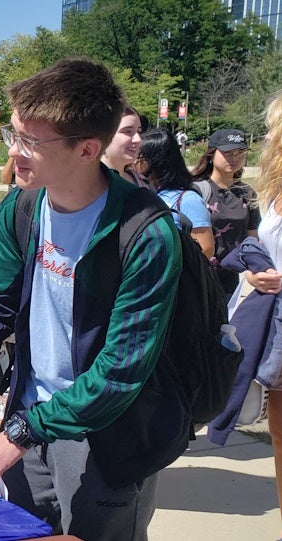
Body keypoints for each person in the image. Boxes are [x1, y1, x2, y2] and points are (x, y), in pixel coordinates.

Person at [0, 59, 187, 539]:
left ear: (87, 149)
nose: (13, 154)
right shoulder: (23, 207)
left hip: (106, 439)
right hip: (28, 418)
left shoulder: (147, 233)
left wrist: (22, 433)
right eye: (12, 136)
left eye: (29, 143)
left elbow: (119, 374)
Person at [242, 92, 282, 539]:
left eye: (273, 126)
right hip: (275, 330)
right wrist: (254, 278)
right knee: (279, 438)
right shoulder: (272, 189)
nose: (267, 135)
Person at [191, 128, 259, 296]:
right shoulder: (196, 191)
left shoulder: (247, 194)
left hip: (230, 279)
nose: (234, 158)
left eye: (240, 152)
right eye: (227, 152)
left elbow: (253, 238)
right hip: (197, 276)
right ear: (212, 154)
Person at [135, 128, 214, 258]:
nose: (134, 162)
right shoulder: (142, 192)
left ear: (154, 160)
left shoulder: (188, 200)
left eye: (139, 156)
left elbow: (207, 249)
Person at [100, 106, 146, 187]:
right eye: (128, 131)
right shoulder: (82, 185)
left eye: (139, 131)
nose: (138, 139)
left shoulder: (141, 183)